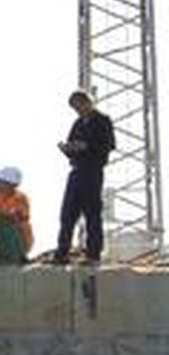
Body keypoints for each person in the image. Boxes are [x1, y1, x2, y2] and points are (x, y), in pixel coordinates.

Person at [54, 87, 115, 263]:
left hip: (93, 171)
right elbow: (73, 144)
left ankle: (93, 253)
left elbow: (108, 146)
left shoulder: (102, 120)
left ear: (87, 103)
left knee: (92, 213)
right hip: (77, 170)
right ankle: (62, 252)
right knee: (68, 213)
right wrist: (67, 149)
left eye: (79, 106)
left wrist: (86, 146)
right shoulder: (78, 123)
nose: (77, 111)